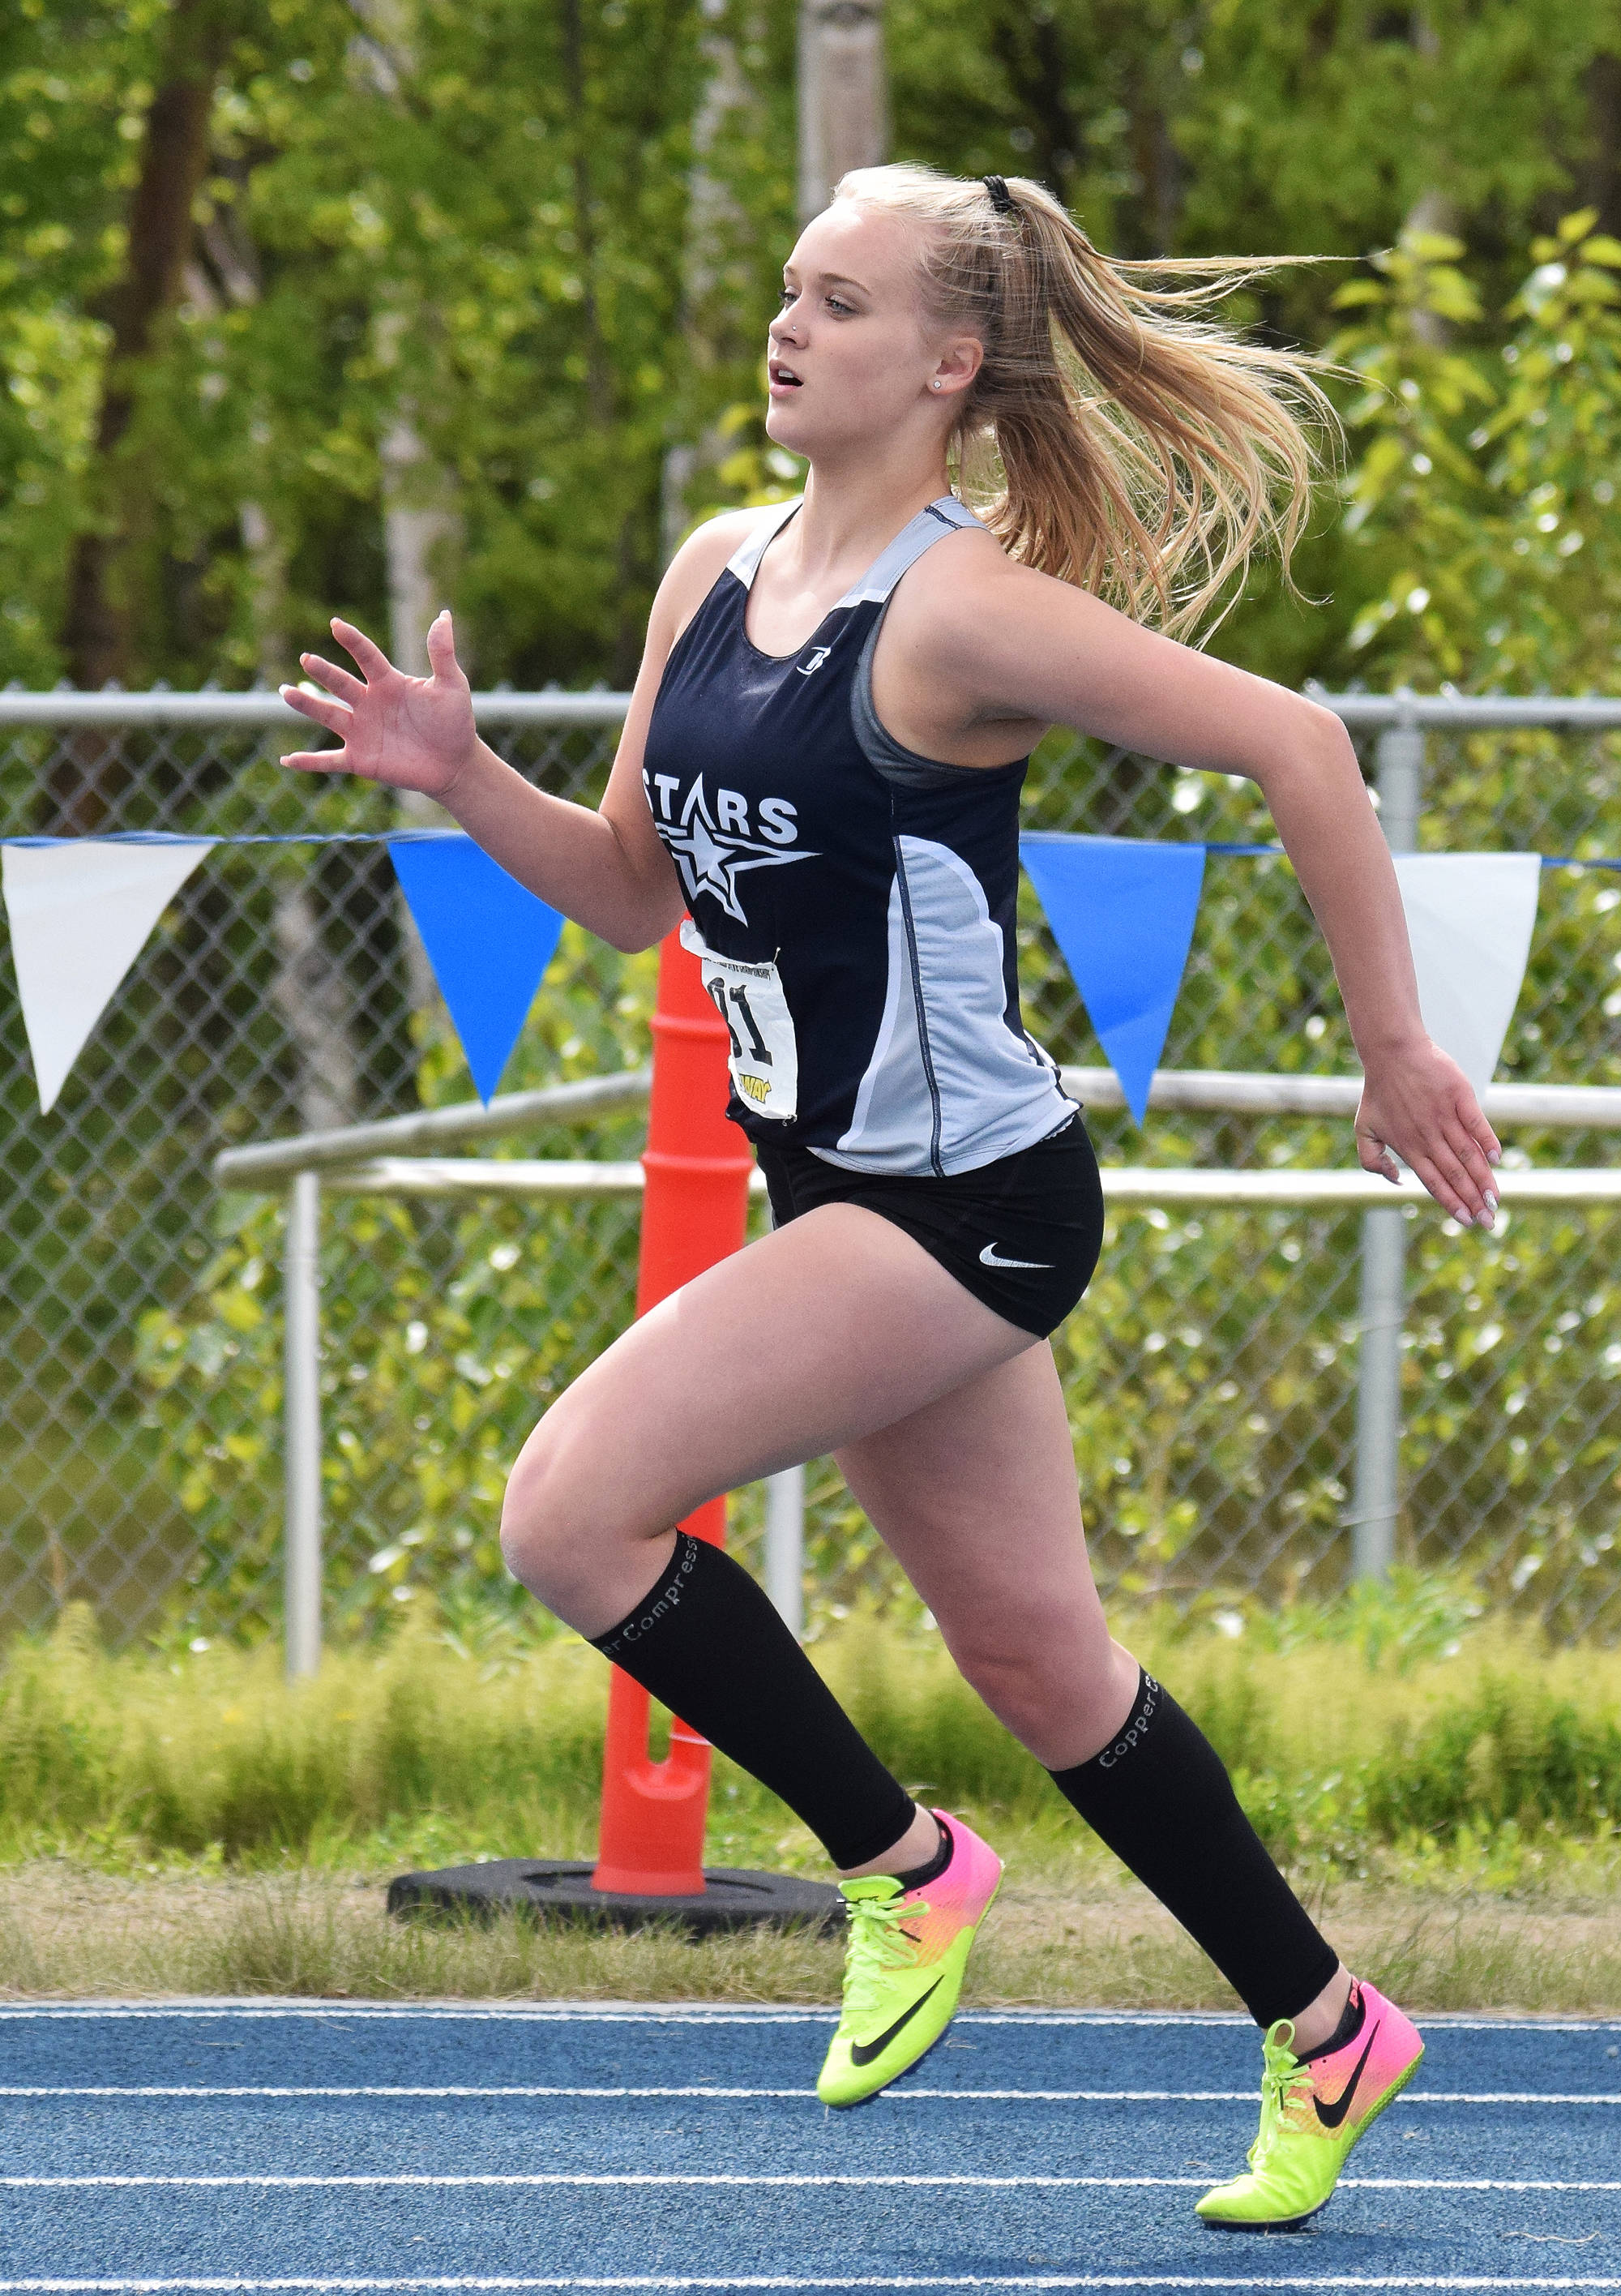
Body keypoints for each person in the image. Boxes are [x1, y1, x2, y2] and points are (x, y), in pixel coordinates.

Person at [280, 163, 1501, 2231]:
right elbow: (628, 894)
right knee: (1046, 1674)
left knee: (566, 1511)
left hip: (969, 1207)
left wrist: (1394, 1046)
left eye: (837, 305)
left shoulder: (965, 610)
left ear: (947, 363)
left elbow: (1300, 745)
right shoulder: (708, 572)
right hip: (847, 1199)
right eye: (784, 291)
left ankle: (905, 1868)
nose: (785, 327)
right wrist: (463, 776)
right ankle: (1327, 2025)